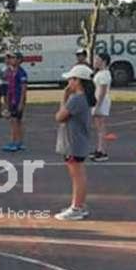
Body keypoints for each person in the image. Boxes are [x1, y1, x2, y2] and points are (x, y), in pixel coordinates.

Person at [54, 64, 95, 221]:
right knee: (78, 175)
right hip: (77, 141)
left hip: (74, 143)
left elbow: (59, 116)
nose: (68, 82)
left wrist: (64, 96)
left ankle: (77, 207)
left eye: (71, 79)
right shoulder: (81, 98)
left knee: (77, 176)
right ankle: (79, 205)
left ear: (78, 81)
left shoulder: (76, 99)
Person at [1, 53, 29, 152]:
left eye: (14, 58)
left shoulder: (21, 73)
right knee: (17, 121)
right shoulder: (10, 72)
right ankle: (20, 142)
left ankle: (14, 142)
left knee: (14, 121)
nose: (11, 60)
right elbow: (8, 86)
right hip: (11, 99)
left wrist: (21, 102)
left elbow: (24, 89)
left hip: (17, 100)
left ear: (19, 60)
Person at [91, 52, 113, 162]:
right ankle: (99, 149)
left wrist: (97, 106)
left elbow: (102, 92)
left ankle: (102, 152)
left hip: (101, 102)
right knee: (99, 127)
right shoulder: (100, 73)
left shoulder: (104, 74)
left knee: (101, 127)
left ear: (104, 62)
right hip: (98, 101)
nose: (95, 61)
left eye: (97, 60)